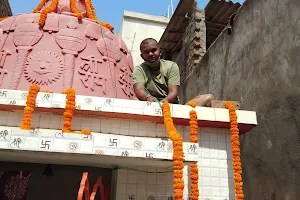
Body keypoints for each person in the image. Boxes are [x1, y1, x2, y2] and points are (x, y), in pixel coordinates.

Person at [132, 38, 215, 107]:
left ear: (160, 51)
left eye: (154, 50)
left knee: (208, 98)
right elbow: (139, 89)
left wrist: (166, 101)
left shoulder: (171, 66)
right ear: (142, 56)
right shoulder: (139, 69)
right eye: (146, 52)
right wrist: (148, 98)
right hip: (150, 106)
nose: (151, 54)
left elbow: (173, 91)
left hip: (172, 107)